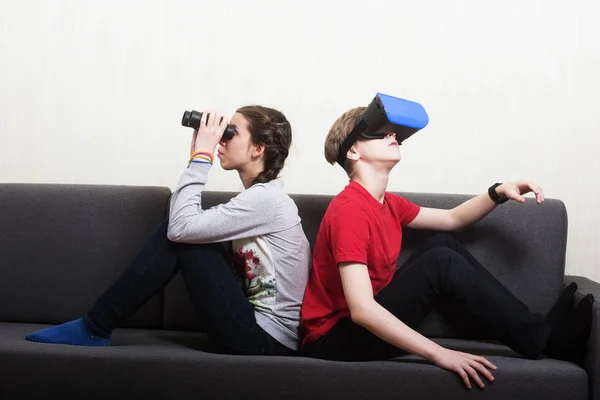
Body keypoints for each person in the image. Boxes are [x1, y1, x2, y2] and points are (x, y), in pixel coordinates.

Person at [300, 106, 594, 388]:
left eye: (393, 133)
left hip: (360, 328)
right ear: (353, 151)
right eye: (380, 133)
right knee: (440, 261)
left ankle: (539, 329)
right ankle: (547, 340)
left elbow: (453, 219)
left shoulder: (388, 204)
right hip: (334, 340)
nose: (393, 136)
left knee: (444, 244)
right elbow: (362, 310)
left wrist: (498, 192)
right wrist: (440, 354)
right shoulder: (349, 210)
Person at [26, 106, 311, 356]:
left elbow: (180, 228)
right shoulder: (260, 199)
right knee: (185, 233)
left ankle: (95, 326)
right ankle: (94, 326)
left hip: (266, 339)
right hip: (255, 329)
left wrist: (201, 157)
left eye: (230, 134)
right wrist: (196, 156)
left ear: (257, 149)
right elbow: (184, 225)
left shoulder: (266, 200)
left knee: (178, 234)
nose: (221, 141)